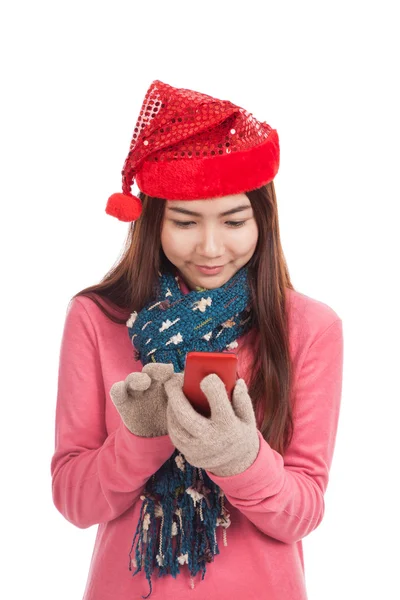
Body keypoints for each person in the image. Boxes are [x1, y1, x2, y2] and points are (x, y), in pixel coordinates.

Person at [50, 79, 344, 600]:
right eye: (185, 222)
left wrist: (240, 456)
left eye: (234, 221)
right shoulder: (99, 318)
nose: (211, 247)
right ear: (154, 223)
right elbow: (75, 502)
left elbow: (303, 511)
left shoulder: (310, 327)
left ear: (264, 222)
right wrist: (141, 438)